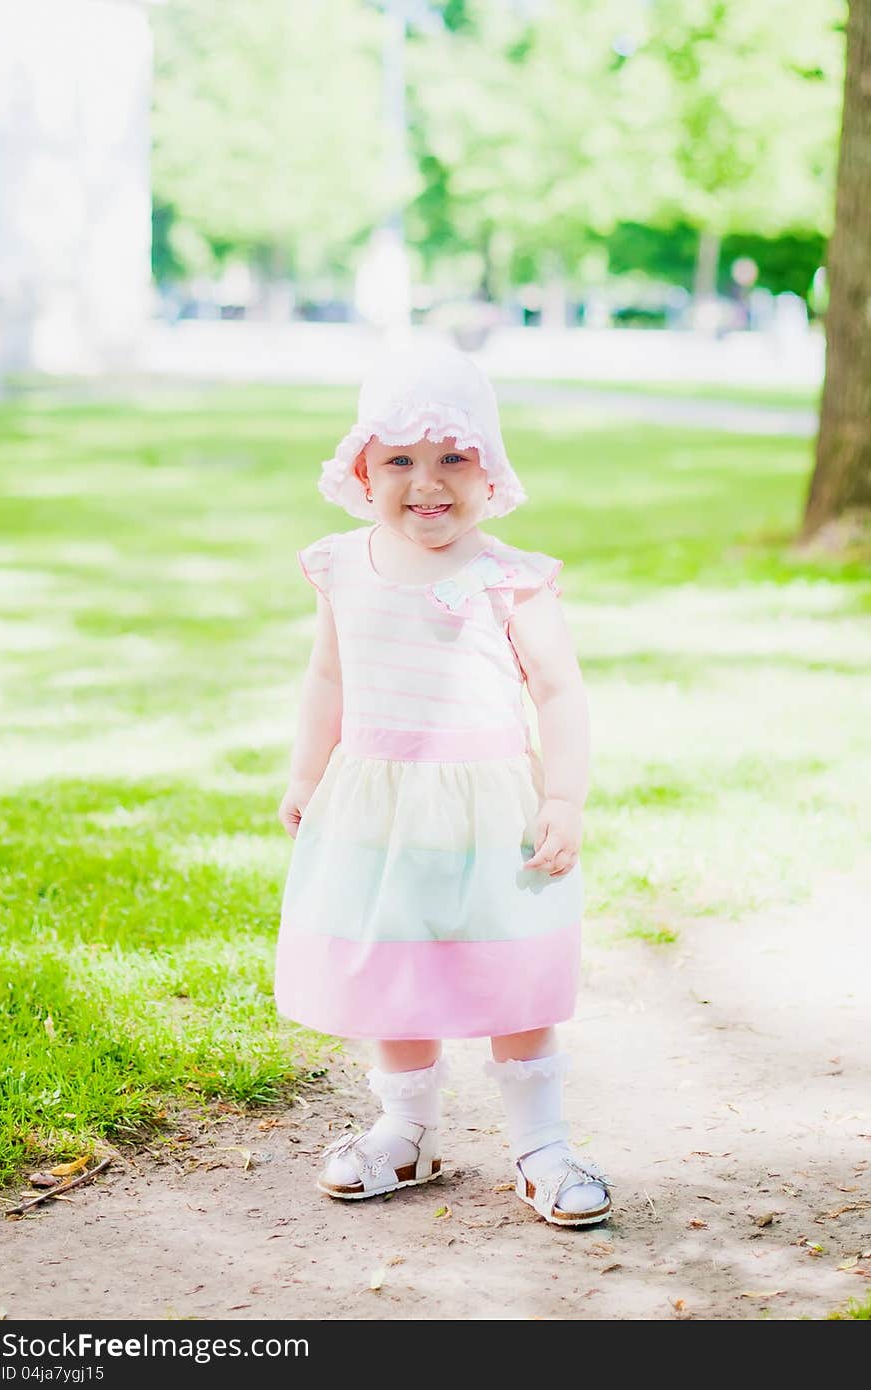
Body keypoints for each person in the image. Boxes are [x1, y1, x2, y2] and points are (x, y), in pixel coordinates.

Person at [275, 343, 610, 1228]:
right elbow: (328, 679)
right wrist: (308, 773)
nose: (428, 483)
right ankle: (407, 1128)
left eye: (453, 457)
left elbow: (559, 689)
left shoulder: (509, 577)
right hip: (375, 808)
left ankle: (542, 1142)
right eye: (400, 461)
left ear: (489, 471)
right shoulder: (341, 566)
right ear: (361, 470)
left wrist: (564, 797)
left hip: (488, 807)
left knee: (513, 974)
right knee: (393, 967)